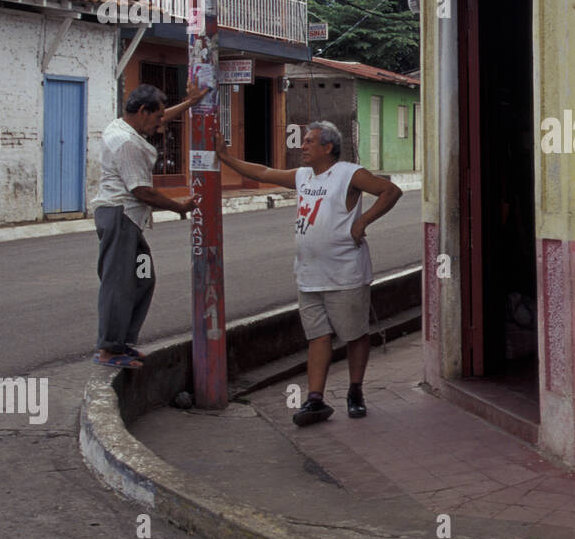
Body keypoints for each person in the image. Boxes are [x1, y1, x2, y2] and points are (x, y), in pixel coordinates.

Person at [214, 121, 402, 425]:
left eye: (309, 142)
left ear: (328, 147)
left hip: (344, 272)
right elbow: (262, 172)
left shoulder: (349, 174)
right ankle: (315, 399)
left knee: (354, 334)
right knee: (317, 336)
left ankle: (355, 392)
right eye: (303, 141)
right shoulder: (303, 176)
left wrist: (362, 222)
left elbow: (390, 191)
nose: (302, 147)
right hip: (309, 274)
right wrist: (226, 158)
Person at [90, 81, 204, 369]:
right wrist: (180, 207)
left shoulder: (123, 127)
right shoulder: (127, 143)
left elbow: (163, 116)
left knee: (142, 279)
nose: (160, 125)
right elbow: (142, 191)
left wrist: (189, 104)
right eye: (156, 118)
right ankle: (109, 349)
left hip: (128, 219)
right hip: (120, 217)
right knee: (118, 283)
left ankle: (122, 342)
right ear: (142, 112)